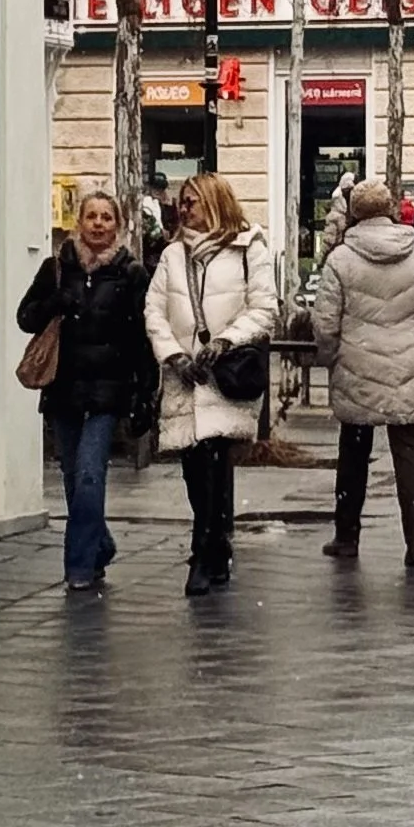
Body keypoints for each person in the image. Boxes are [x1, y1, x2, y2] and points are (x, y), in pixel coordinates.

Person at [143, 172, 278, 598]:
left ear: (215, 202)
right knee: (194, 465)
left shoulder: (247, 248)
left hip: (225, 373)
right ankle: (217, 543)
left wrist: (225, 341)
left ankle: (204, 550)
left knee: (214, 459)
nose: (184, 209)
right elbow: (155, 311)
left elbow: (264, 307)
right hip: (186, 376)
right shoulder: (172, 256)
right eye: (182, 202)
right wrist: (174, 355)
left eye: (193, 201)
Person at [308, 180, 414, 569]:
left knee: (353, 451)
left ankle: (347, 535)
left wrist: (331, 358)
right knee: (409, 451)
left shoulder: (340, 259)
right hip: (410, 364)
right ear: (389, 209)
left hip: (357, 362)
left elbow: (325, 323)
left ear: (354, 212)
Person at [18, 187, 151, 593]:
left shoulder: (131, 274)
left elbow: (143, 338)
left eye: (106, 217)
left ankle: (78, 568)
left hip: (108, 391)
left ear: (118, 225)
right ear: (79, 223)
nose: (98, 224)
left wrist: (145, 393)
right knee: (74, 479)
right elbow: (25, 318)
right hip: (63, 389)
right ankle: (100, 545)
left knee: (91, 475)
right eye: (91, 216)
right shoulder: (57, 268)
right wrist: (55, 301)